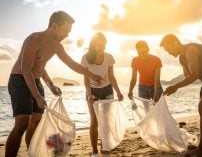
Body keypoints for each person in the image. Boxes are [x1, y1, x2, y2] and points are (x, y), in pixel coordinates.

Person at [5, 11, 101, 157]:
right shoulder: (34, 40)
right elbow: (26, 69)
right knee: (22, 123)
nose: (67, 35)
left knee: (36, 123)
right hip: (19, 79)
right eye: (65, 30)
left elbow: (70, 64)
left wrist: (90, 74)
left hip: (35, 80)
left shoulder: (57, 46)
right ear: (54, 26)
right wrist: (37, 96)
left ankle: (33, 154)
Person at [81, 32, 123, 156]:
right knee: (94, 121)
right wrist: (89, 95)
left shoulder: (109, 57)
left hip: (107, 89)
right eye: (98, 45)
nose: (100, 48)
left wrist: (119, 92)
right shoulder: (86, 58)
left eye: (103, 45)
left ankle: (105, 146)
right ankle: (94, 150)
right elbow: (86, 79)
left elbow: (112, 77)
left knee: (106, 119)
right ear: (93, 45)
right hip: (92, 91)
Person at [128, 40, 163, 110]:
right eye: (139, 52)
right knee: (145, 110)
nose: (142, 54)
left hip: (155, 86)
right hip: (142, 87)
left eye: (143, 52)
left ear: (148, 50)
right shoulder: (135, 60)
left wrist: (156, 93)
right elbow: (134, 78)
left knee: (159, 109)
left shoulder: (156, 60)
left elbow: (157, 79)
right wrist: (130, 90)